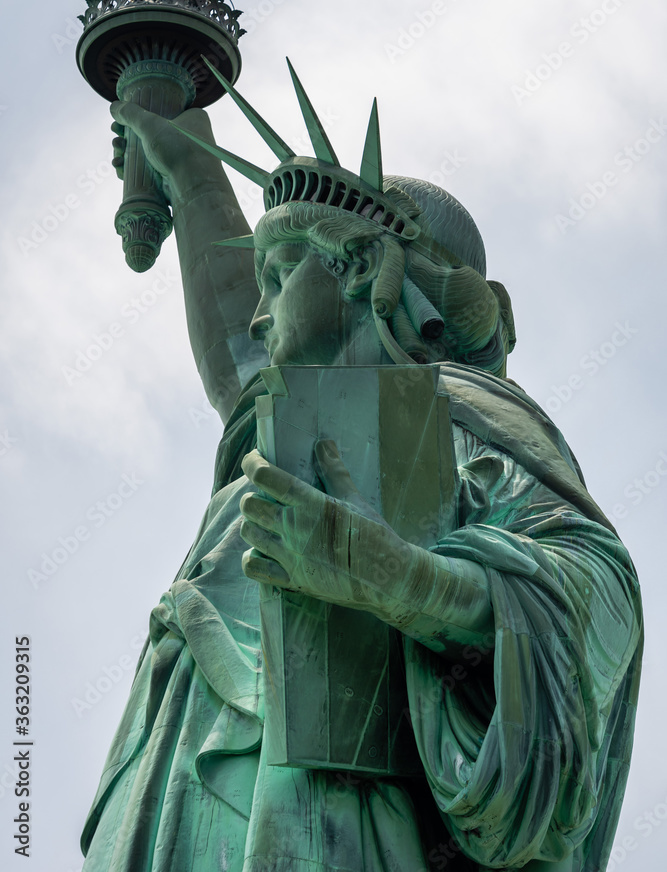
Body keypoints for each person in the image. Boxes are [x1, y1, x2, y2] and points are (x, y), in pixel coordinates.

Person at [80, 65, 642, 872]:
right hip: (178, 791)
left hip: (341, 807)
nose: (262, 309)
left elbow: (599, 593)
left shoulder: (453, 409)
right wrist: (187, 163)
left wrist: (402, 581)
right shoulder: (286, 429)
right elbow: (240, 356)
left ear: (356, 269)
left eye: (279, 276)